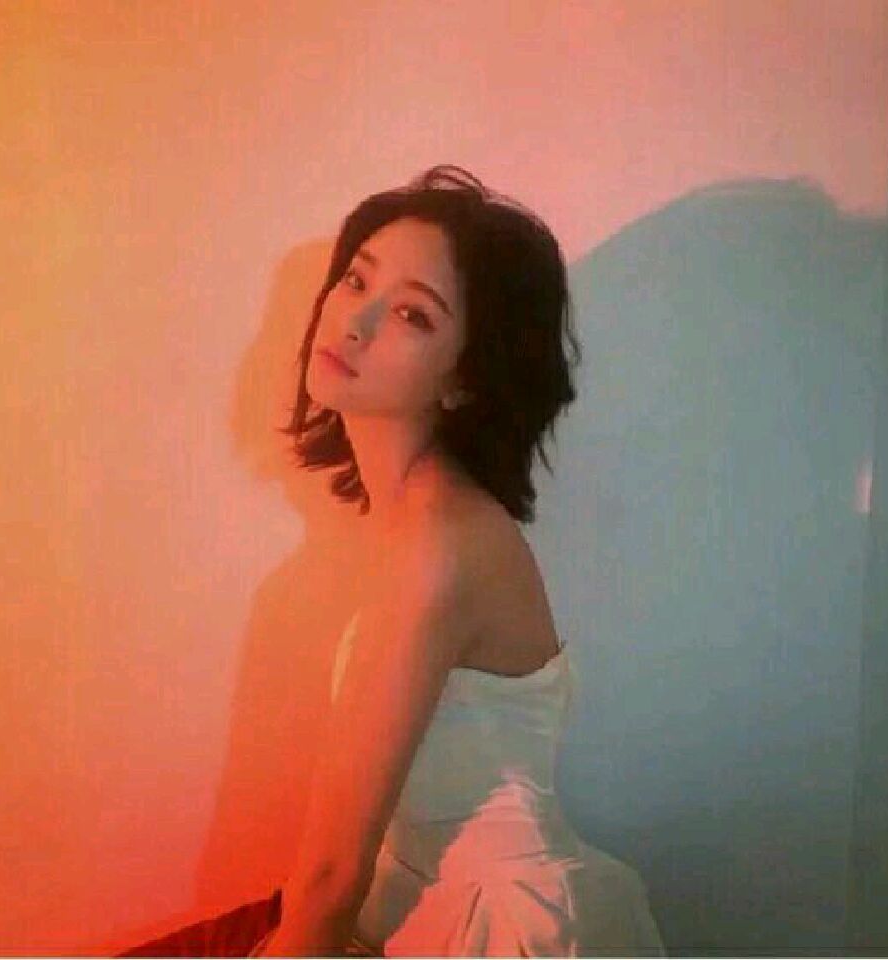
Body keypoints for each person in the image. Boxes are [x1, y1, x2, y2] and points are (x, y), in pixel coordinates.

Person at [122, 164, 665, 957]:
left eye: (413, 313)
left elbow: (330, 879)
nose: (356, 320)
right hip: (415, 896)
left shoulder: (437, 543)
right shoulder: (415, 517)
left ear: (464, 381)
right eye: (355, 280)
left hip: (491, 925)